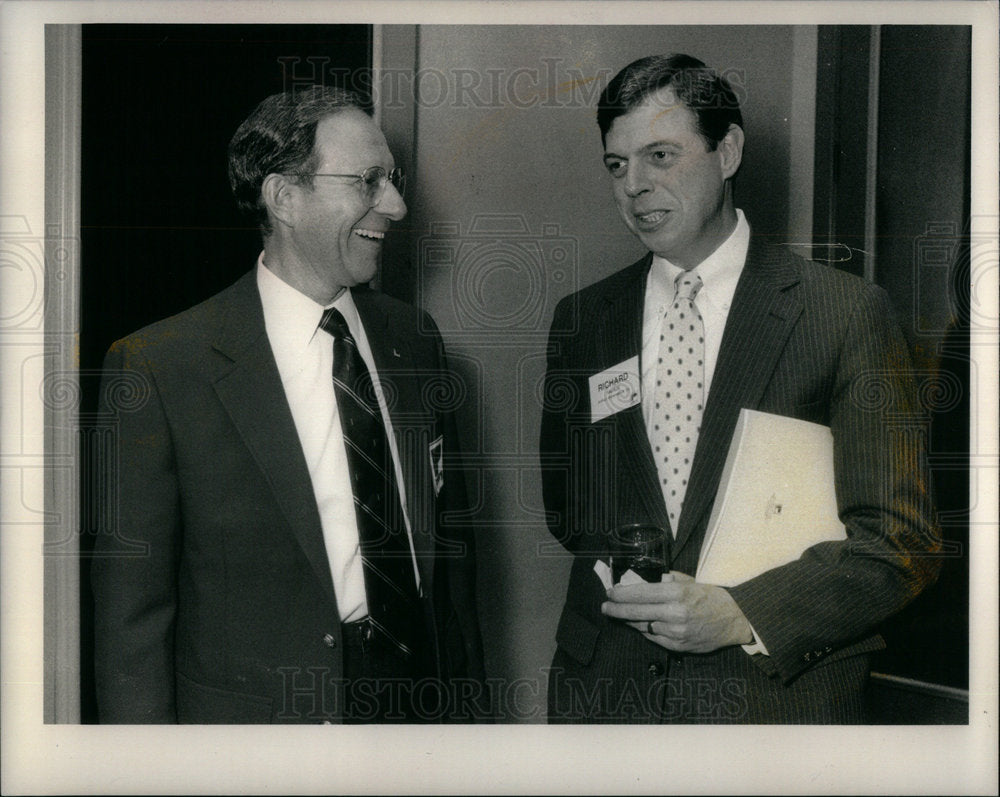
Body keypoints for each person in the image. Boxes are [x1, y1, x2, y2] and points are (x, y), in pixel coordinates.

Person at [539, 54, 941, 723]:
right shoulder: (583, 322)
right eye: (616, 164)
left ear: (727, 151)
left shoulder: (843, 314)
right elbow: (569, 511)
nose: (634, 185)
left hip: (772, 704)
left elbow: (900, 541)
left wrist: (740, 612)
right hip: (605, 698)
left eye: (661, 155)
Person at [92, 85, 484, 724]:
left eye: (394, 179)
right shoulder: (161, 367)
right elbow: (129, 624)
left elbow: (452, 563)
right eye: (369, 181)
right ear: (285, 197)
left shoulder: (415, 339)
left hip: (418, 708)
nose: (397, 204)